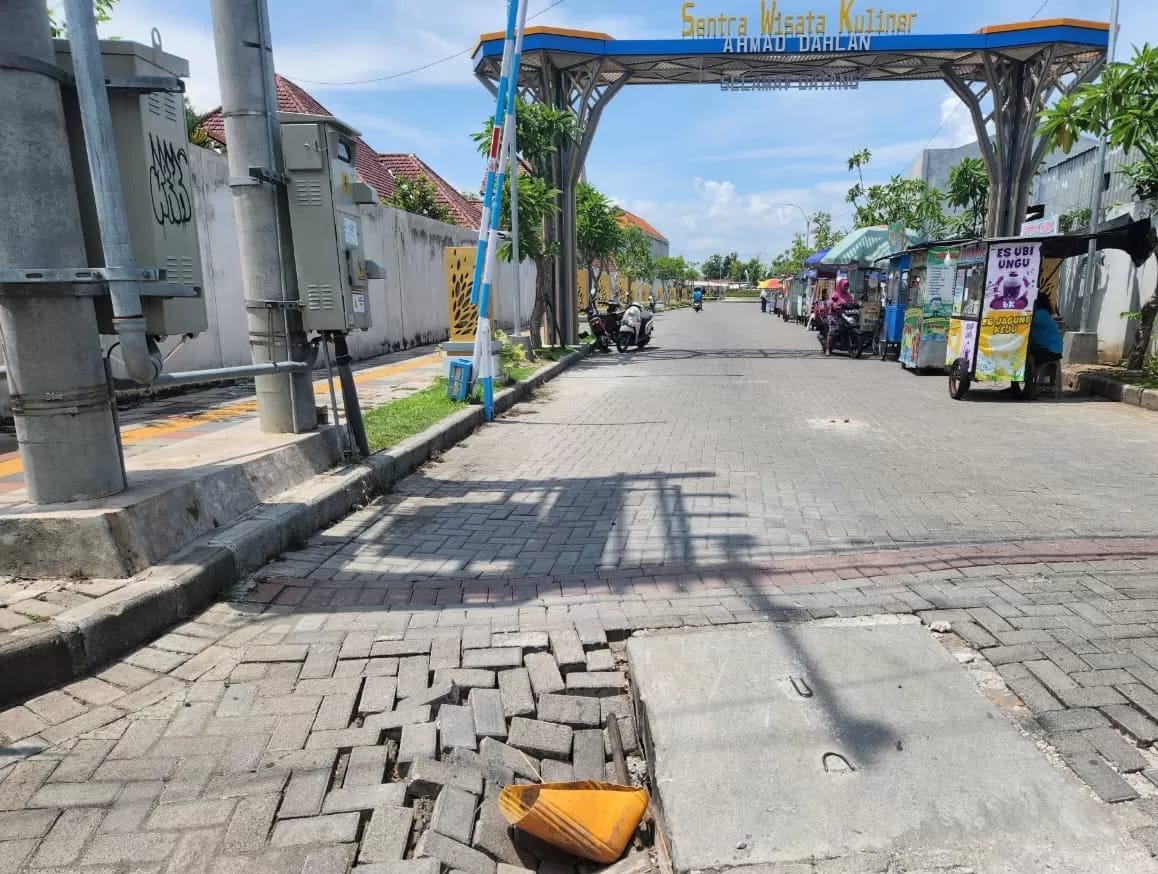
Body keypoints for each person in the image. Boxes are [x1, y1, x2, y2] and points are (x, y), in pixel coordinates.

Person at [1030, 292, 1063, 365]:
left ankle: (1033, 372)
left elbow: (1025, 322)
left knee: (1027, 355)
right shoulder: (1044, 313)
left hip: (1049, 349)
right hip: (1054, 348)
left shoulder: (1039, 313)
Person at [825, 278, 856, 355]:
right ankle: (828, 349)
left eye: (847, 286)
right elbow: (831, 302)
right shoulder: (835, 294)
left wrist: (856, 305)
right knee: (832, 330)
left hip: (845, 315)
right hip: (834, 315)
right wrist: (834, 305)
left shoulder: (849, 295)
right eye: (845, 285)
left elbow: (852, 302)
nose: (846, 287)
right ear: (841, 285)